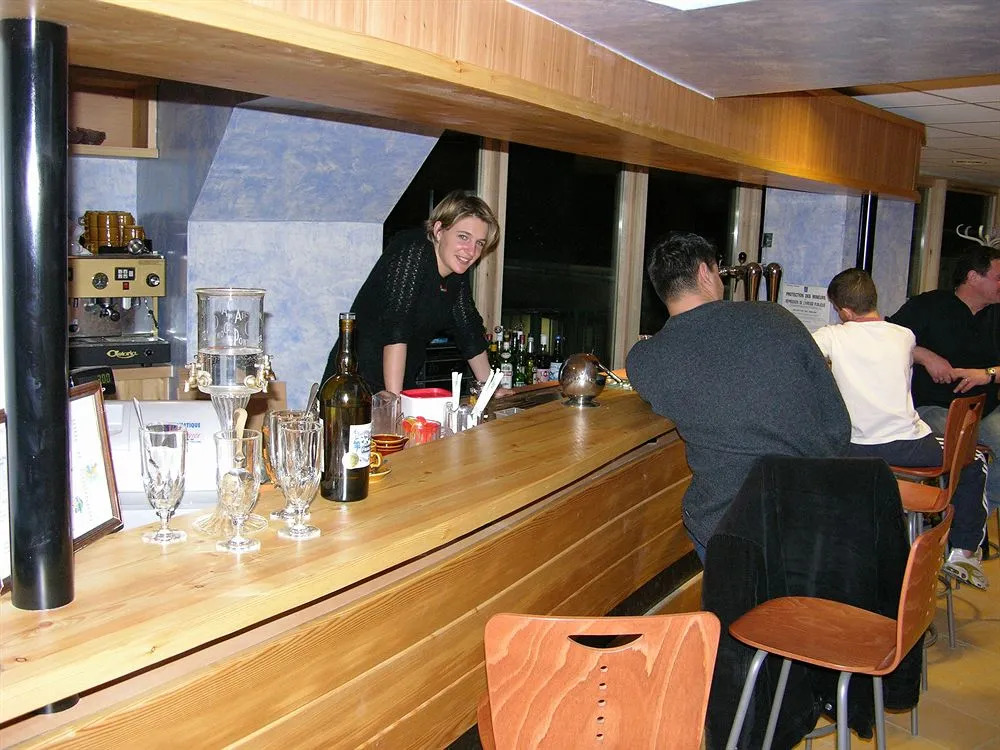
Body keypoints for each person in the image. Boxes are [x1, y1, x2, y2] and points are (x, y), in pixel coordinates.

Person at [625, 232, 851, 561]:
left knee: (703, 517)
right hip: (819, 516)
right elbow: (838, 425)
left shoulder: (645, 360)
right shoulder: (776, 317)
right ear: (705, 273)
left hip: (734, 529)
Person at [813, 268, 988, 588]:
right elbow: (899, 348)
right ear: (873, 300)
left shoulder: (830, 336)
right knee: (974, 458)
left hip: (854, 450)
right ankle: (964, 551)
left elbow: (802, 354)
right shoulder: (904, 336)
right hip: (908, 447)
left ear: (844, 312)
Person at [322, 191, 503, 396]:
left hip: (399, 383)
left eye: (479, 243)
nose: (471, 251)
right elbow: (397, 328)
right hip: (356, 385)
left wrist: (490, 388)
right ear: (438, 230)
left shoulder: (455, 276)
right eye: (463, 237)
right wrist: (395, 400)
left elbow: (468, 330)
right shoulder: (414, 250)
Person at [888, 244, 1000, 516]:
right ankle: (953, 518)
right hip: (936, 407)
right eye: (998, 278)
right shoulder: (929, 305)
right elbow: (887, 341)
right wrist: (926, 356)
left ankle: (974, 517)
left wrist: (986, 374)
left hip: (986, 409)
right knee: (963, 451)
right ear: (973, 277)